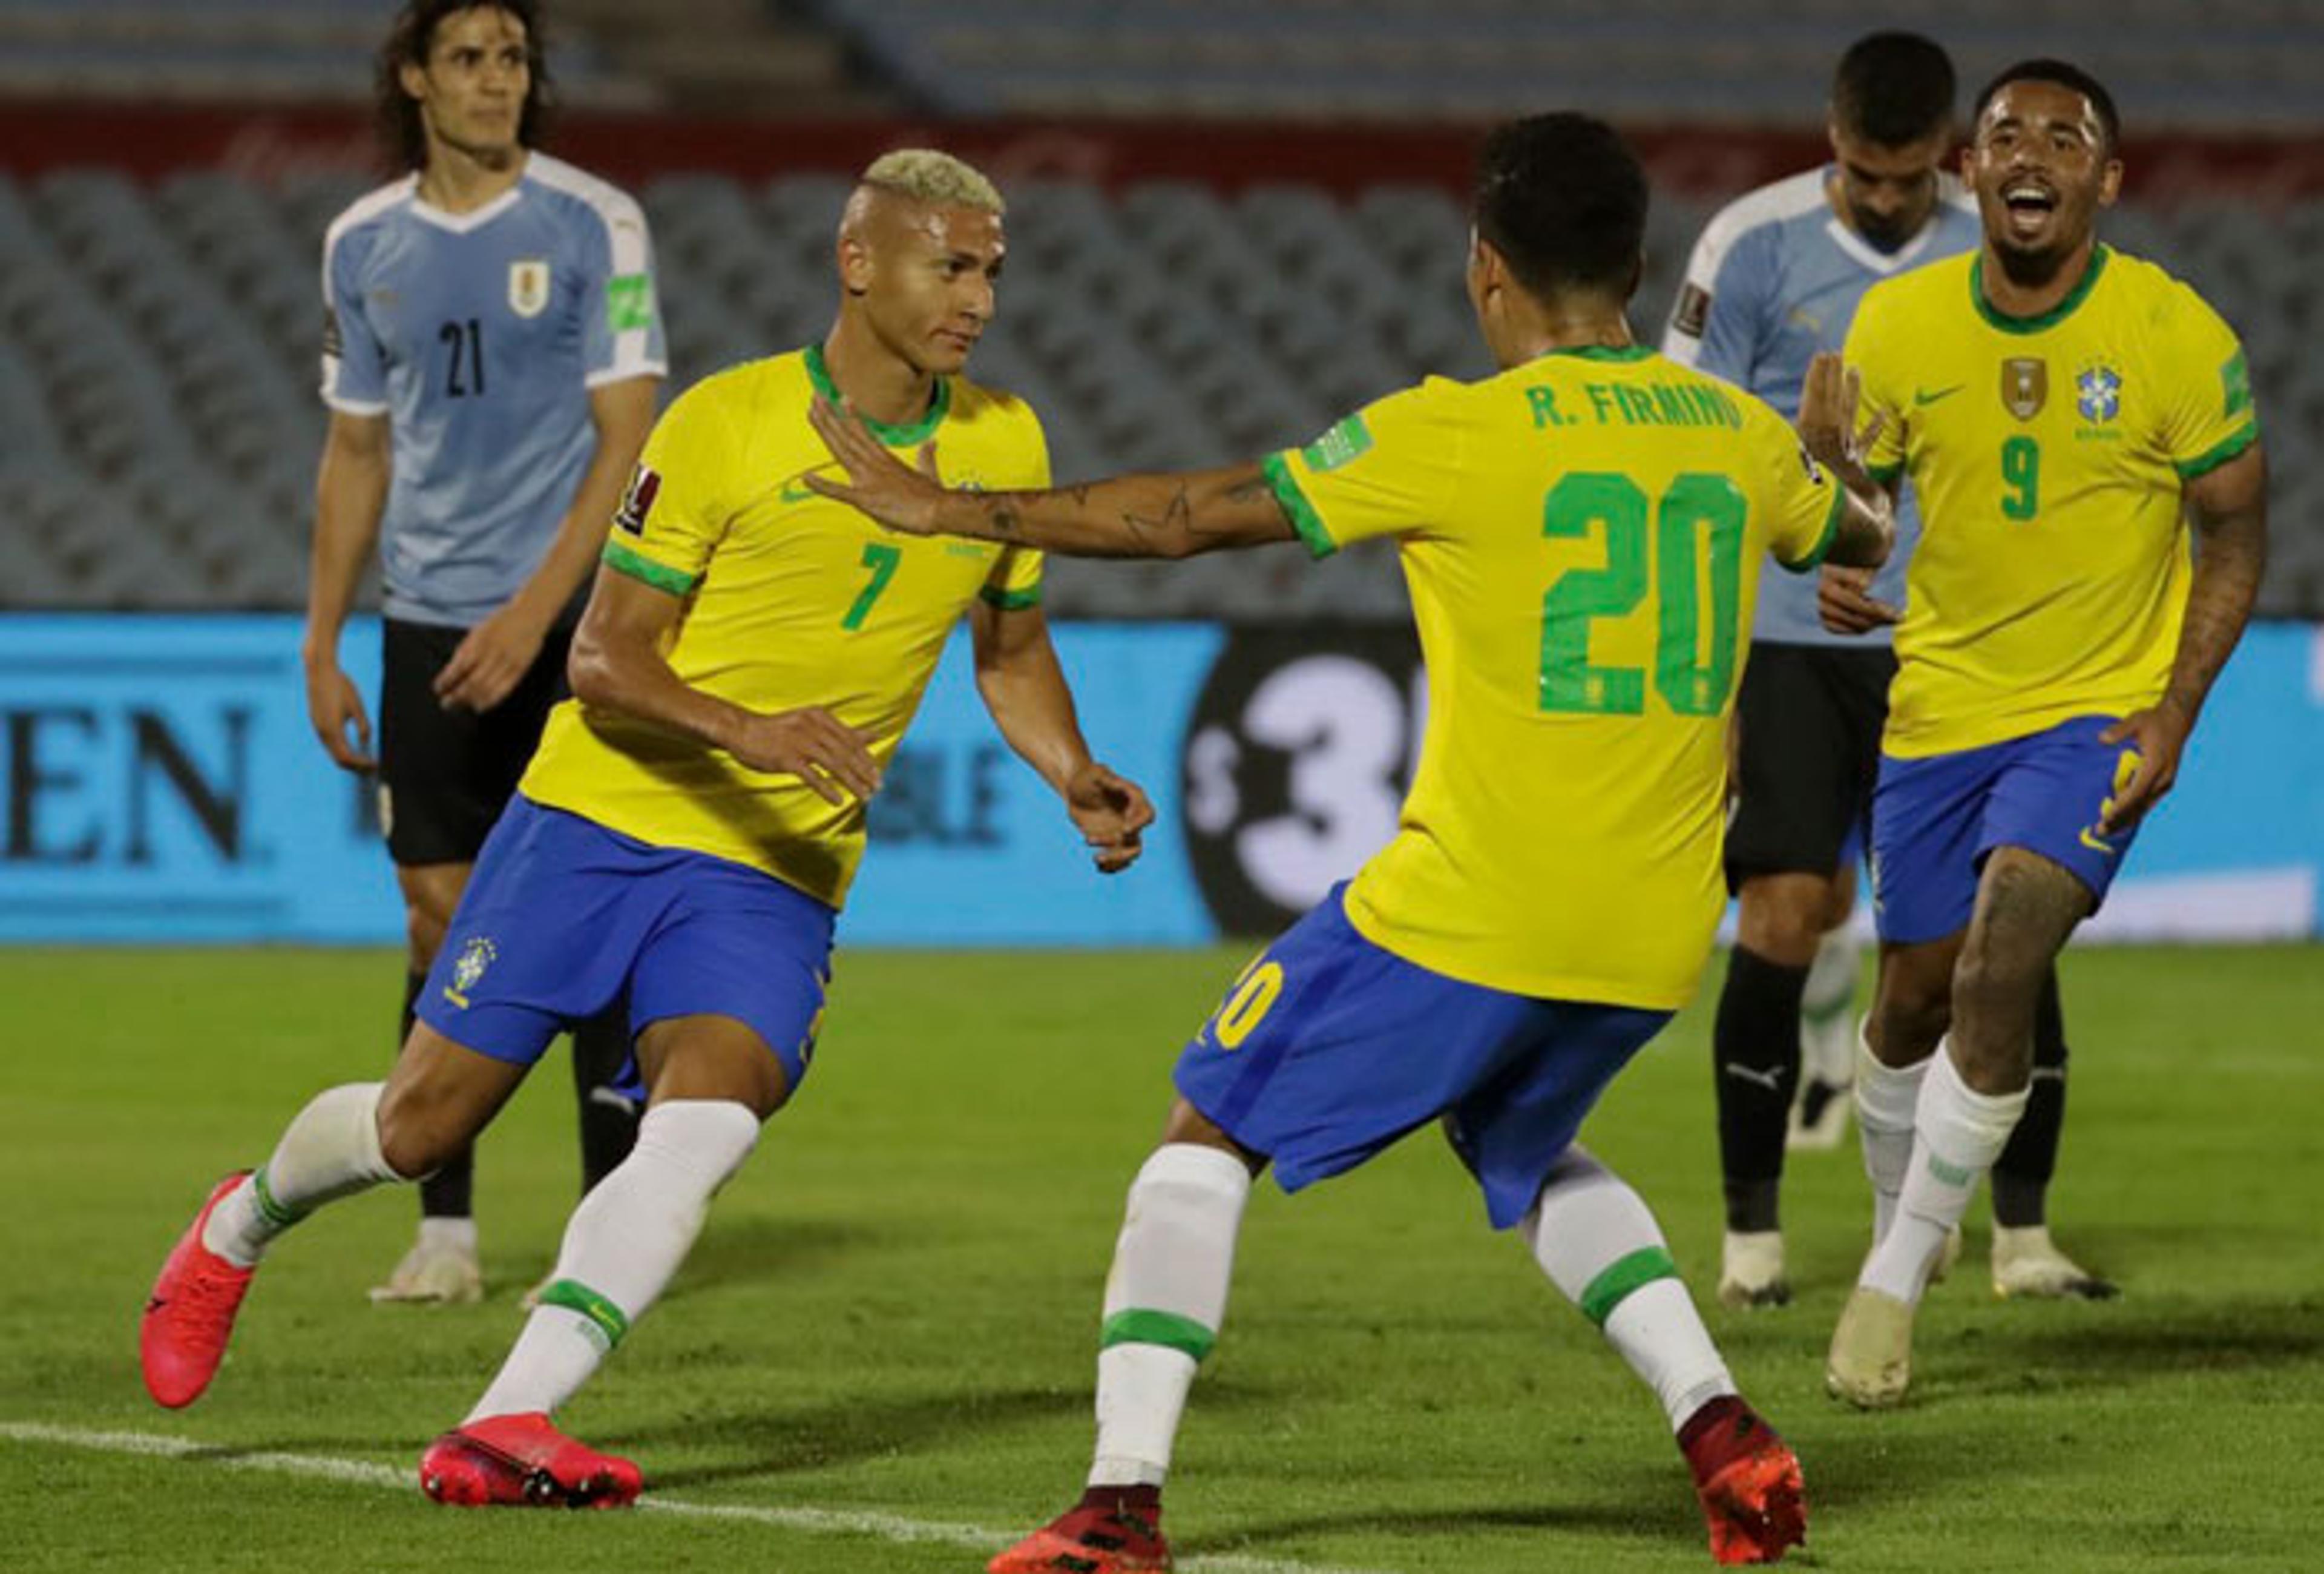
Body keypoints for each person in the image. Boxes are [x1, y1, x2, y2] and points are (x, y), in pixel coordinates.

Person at [812, 113, 1894, 1571]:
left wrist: (942, 504)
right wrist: (1849, 478)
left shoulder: (1449, 430)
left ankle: (1121, 1504)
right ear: (1637, 264)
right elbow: (1857, 537)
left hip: (1475, 907)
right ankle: (1726, 1437)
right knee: (1523, 1139)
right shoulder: (1742, 436)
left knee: (1203, 1132)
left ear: (1484, 271)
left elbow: (1187, 516)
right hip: (1649, 933)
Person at [142, 148, 1157, 1506]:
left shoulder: (1007, 443)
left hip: (775, 865)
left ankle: (505, 1420)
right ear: (859, 261)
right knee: (420, 1130)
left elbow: (1011, 646)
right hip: (602, 817)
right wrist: (759, 731)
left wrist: (1074, 769)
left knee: (714, 1107)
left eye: (991, 270)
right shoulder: (725, 425)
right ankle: (241, 1218)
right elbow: (606, 661)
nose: (976, 296)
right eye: (949, 263)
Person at [1820, 59, 2267, 1408]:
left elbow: (2235, 527)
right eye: (2005, 132)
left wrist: (2176, 708)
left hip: (2091, 719)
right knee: (1907, 995)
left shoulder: (2175, 335)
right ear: (1970, 170)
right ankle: (1915, 1207)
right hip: (1939, 710)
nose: (2031, 153)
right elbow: (1866, 511)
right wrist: (1839, 526)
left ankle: (1889, 1282)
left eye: (2064, 138)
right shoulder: (1896, 328)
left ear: (2106, 180)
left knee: (2002, 955)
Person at [1664, 31, 2108, 1309]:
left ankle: (2021, 1236)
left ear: (1950, 161)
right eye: (1866, 173)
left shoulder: (2005, 239)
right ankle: (1753, 1239)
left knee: (2011, 921)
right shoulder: (1751, 244)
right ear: (1833, 139)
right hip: (1798, 642)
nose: (1888, 199)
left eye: (1913, 178)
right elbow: (1699, 448)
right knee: (1786, 913)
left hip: (1962, 647)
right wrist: (1746, 631)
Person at [303, 0, 657, 1304]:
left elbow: (628, 435)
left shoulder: (595, 223)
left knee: (596, 914)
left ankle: (607, 1237)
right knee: (436, 919)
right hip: (425, 620)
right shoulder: (363, 242)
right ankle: (444, 1231)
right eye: (469, 58)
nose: (497, 80)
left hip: (571, 625)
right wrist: (323, 636)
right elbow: (354, 451)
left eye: (514, 59)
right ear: (415, 78)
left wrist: (533, 616)